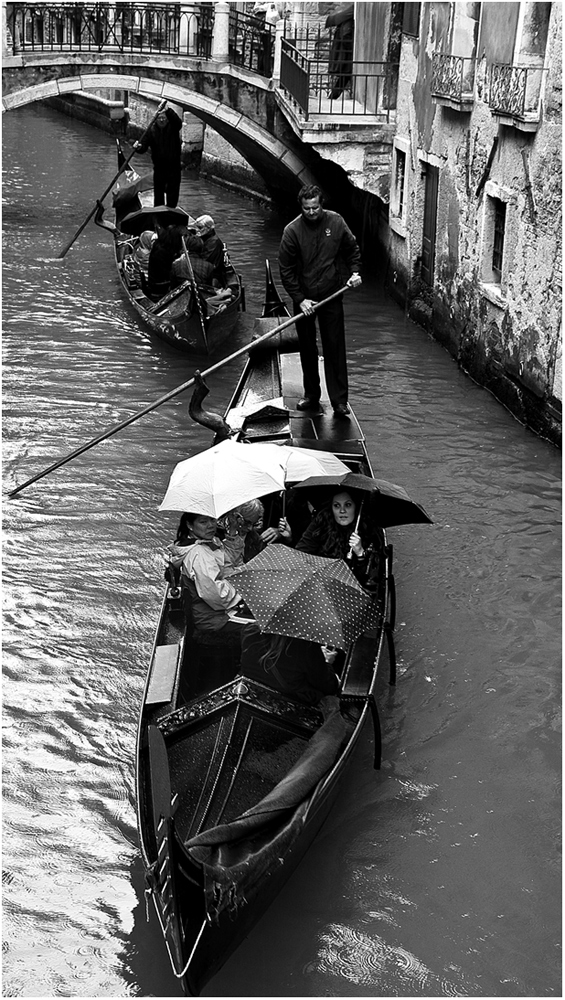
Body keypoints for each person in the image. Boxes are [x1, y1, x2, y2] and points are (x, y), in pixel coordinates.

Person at [278, 184, 362, 419]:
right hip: (304, 298)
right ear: (301, 207)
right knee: (307, 347)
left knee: (334, 346)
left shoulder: (336, 222)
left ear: (321, 205)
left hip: (331, 293)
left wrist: (355, 272)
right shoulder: (292, 231)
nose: (312, 212)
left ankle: (339, 401)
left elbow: (351, 249)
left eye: (315, 207)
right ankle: (311, 395)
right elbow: (286, 270)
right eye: (307, 209)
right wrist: (300, 299)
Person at [167, 512, 251, 640]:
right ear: (190, 525)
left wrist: (233, 530)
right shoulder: (199, 554)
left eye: (212, 520)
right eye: (203, 522)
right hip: (216, 619)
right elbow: (217, 595)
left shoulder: (208, 542)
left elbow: (228, 561)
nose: (211, 525)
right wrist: (241, 585)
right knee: (260, 628)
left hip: (222, 609)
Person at [295, 489, 379, 585]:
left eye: (347, 505)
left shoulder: (367, 529)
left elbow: (370, 580)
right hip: (321, 583)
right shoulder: (321, 523)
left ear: (356, 507)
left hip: (352, 588)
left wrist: (360, 553)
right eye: (337, 506)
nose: (342, 511)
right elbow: (301, 553)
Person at [239, 626, 339, 705]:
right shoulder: (305, 646)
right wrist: (326, 662)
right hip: (288, 704)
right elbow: (328, 686)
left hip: (251, 696)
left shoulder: (249, 632)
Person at [134, 104, 183, 208]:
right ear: (155, 119)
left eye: (164, 118)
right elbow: (143, 147)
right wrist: (138, 147)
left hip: (174, 167)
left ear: (167, 119)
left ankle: (170, 216)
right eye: (159, 118)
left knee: (172, 194)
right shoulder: (151, 131)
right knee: (159, 194)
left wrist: (168, 110)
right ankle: (158, 215)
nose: (161, 120)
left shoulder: (173, 128)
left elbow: (178, 123)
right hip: (159, 168)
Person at [220, 499, 291, 569]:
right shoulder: (215, 534)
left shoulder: (255, 537)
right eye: (247, 522)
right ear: (236, 516)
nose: (250, 528)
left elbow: (271, 563)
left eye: (254, 524)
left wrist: (287, 539)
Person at [326, 3, 355, 100]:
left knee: (344, 75)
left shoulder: (342, 23)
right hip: (344, 54)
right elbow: (346, 36)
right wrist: (352, 49)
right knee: (345, 74)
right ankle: (333, 96)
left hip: (341, 52)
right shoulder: (348, 23)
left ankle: (333, 96)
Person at [195, 215, 227, 284]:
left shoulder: (213, 243)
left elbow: (206, 261)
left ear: (208, 228)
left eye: (200, 227)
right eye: (197, 227)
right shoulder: (205, 239)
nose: (197, 230)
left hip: (212, 276)